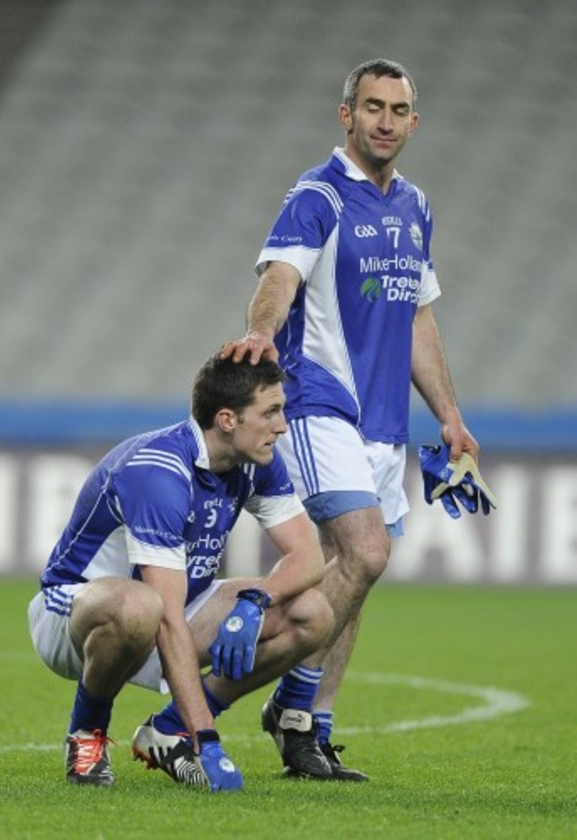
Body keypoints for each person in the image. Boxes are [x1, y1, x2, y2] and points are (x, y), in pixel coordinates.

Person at [221, 58, 479, 781]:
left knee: (354, 575)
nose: (385, 122)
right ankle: (218, 701)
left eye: (398, 110)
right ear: (347, 115)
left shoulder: (416, 207)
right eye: (372, 107)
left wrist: (450, 416)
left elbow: (418, 319)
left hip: (385, 424)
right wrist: (262, 331)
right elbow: (280, 278)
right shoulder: (319, 195)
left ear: (414, 122)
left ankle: (307, 724)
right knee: (363, 553)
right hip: (319, 402)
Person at [27, 352, 333, 791]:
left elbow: (308, 557)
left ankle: (167, 731)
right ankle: (87, 732)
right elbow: (166, 618)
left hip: (172, 606)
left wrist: (256, 601)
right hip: (73, 614)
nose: (282, 425)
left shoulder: (256, 461)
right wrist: (207, 741)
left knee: (310, 611)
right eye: (270, 412)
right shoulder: (158, 471)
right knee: (139, 606)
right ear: (226, 420)